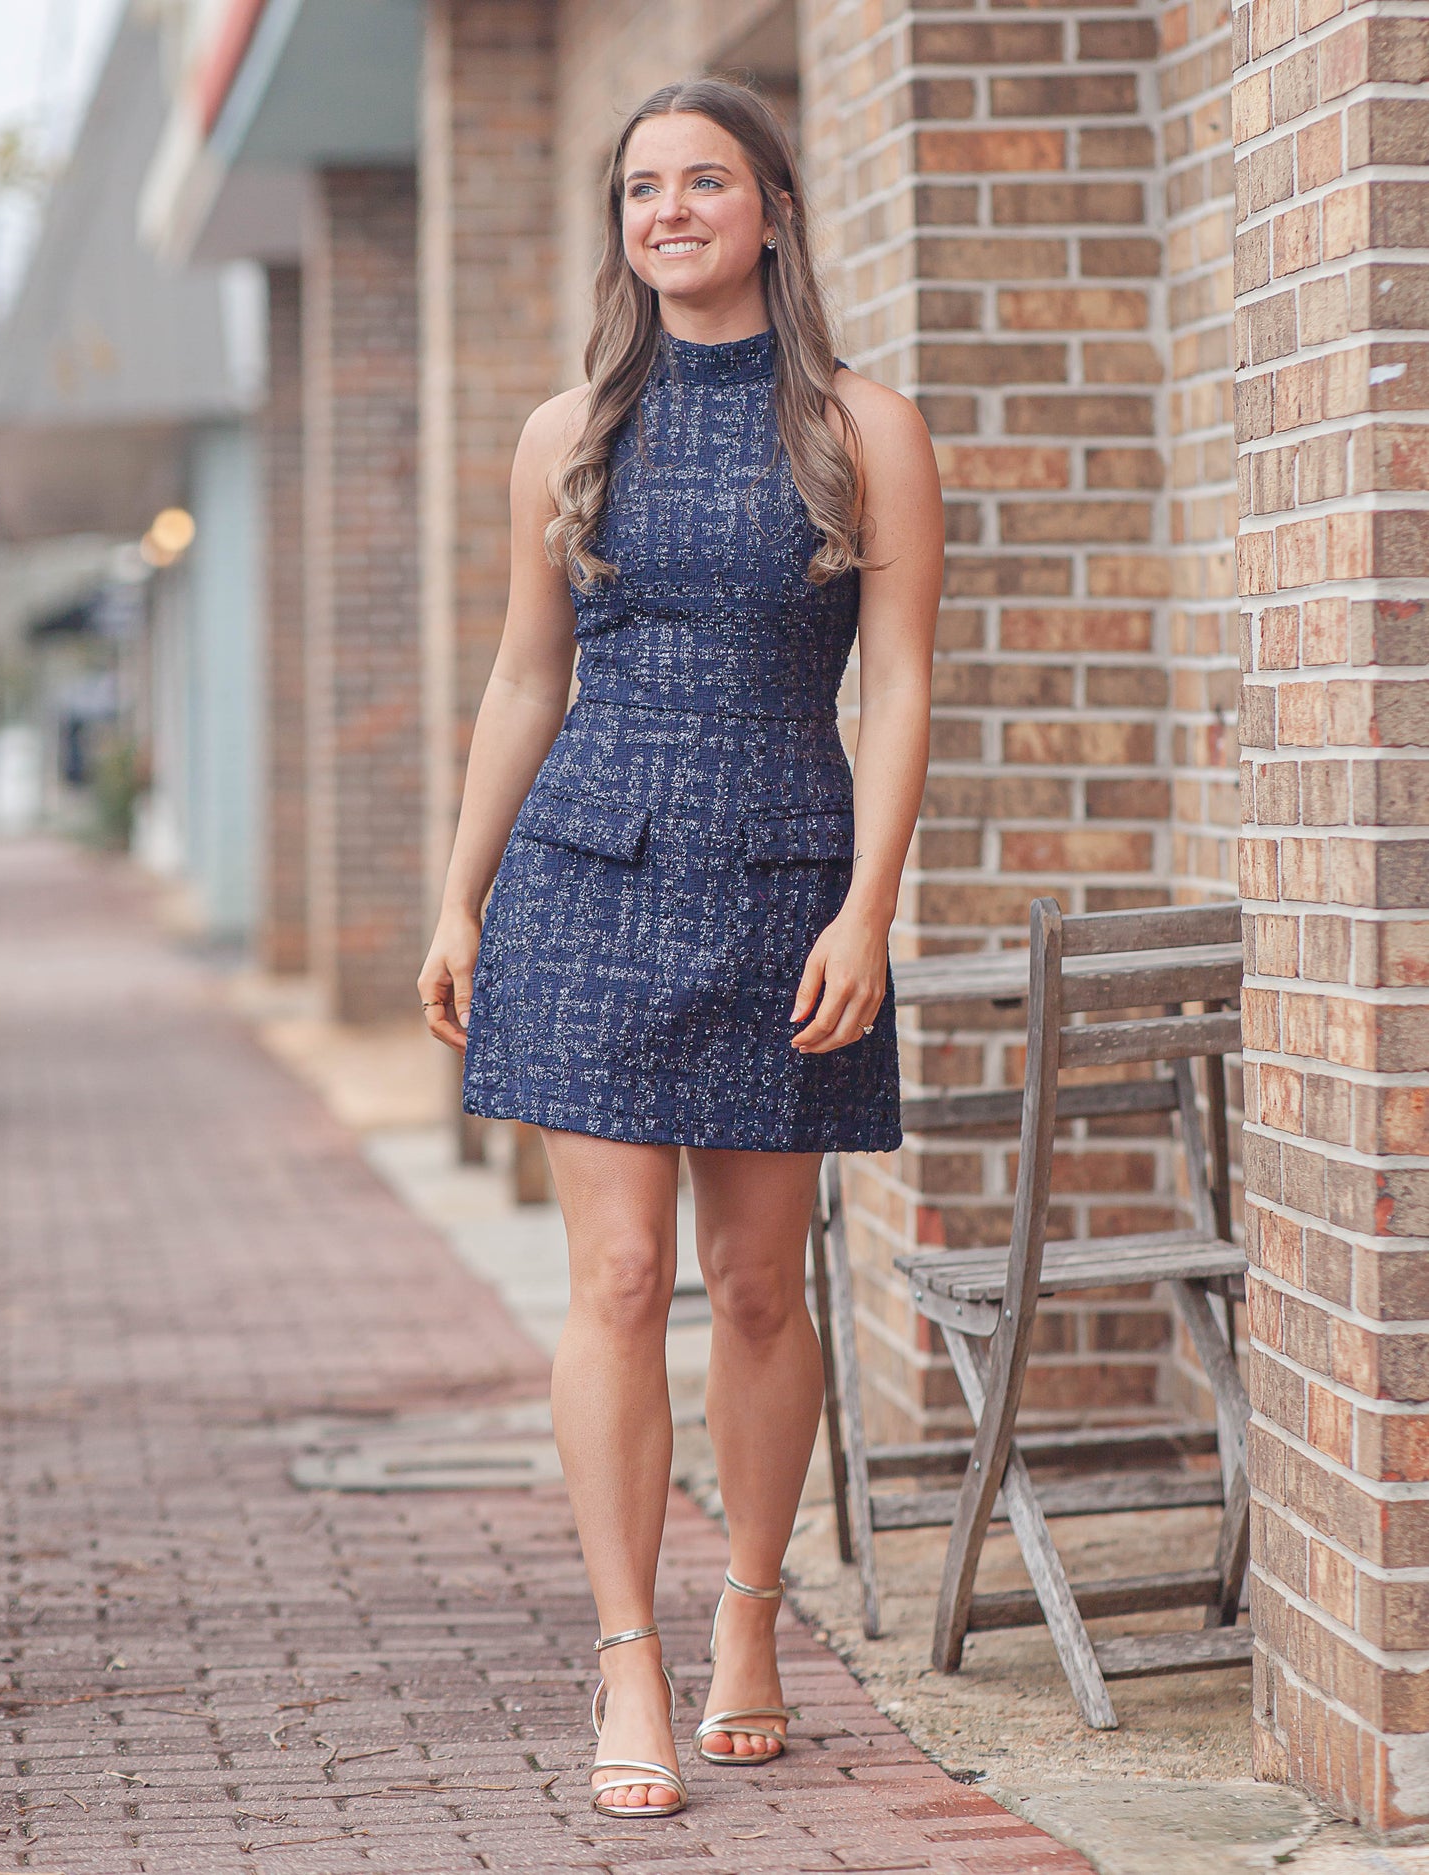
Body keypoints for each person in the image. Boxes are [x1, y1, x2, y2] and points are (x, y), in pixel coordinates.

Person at [418, 76, 942, 1821]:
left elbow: (901, 685)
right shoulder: (567, 433)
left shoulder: (865, 428)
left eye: (704, 181)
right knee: (623, 1279)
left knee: (759, 1283)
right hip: (586, 878)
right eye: (642, 188)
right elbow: (525, 677)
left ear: (772, 210)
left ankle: (751, 1618)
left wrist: (868, 907)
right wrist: (460, 895)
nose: (669, 211)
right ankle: (628, 1653)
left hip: (783, 880)